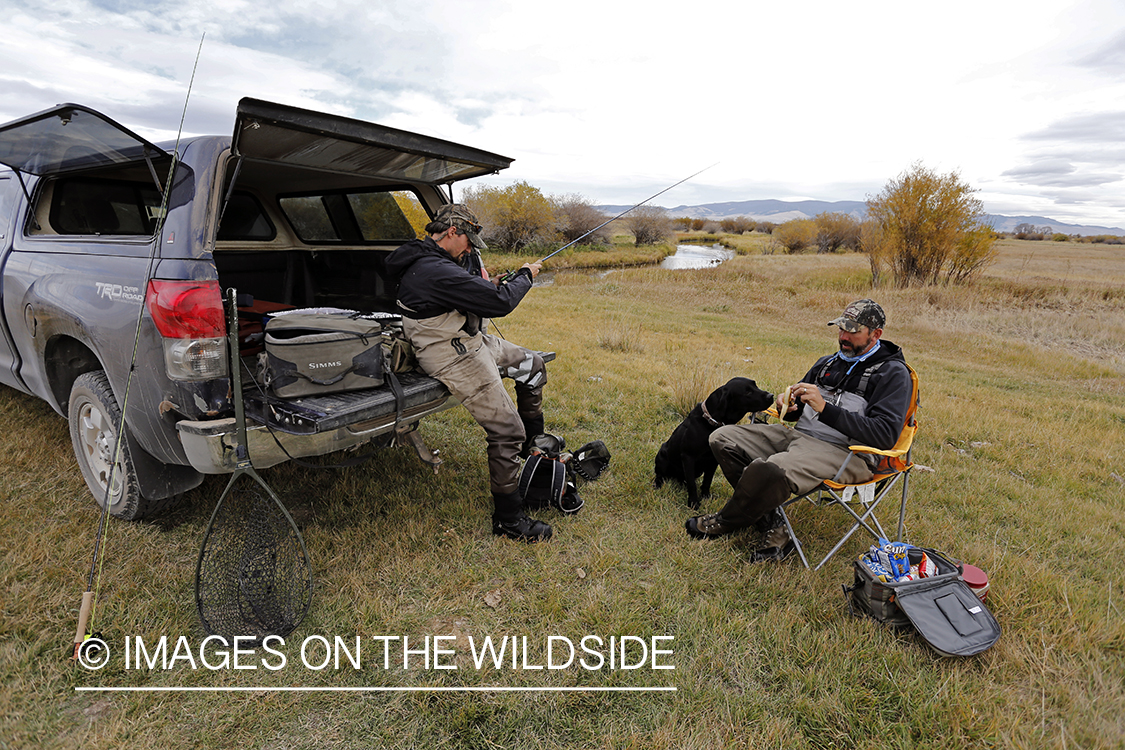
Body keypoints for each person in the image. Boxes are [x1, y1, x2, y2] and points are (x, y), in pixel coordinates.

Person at [684, 299, 912, 561]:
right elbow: (800, 410)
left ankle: (726, 520)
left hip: (847, 453)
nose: (843, 337)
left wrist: (825, 408)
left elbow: (884, 435)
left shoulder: (893, 374)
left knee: (771, 467)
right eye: (841, 329)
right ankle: (774, 526)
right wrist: (789, 407)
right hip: (799, 437)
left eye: (852, 331)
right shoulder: (827, 363)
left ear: (876, 335)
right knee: (722, 438)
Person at [384, 204, 552, 542]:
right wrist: (525, 276)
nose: (471, 249)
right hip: (449, 352)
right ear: (450, 232)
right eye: (469, 241)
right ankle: (508, 520)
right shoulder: (433, 270)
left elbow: (475, 295)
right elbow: (501, 304)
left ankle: (534, 454)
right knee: (506, 429)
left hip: (470, 339)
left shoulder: (438, 261)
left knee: (533, 367)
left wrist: (490, 283)